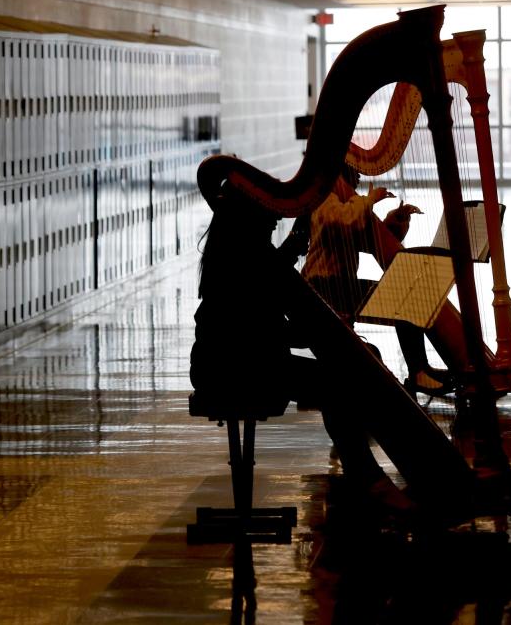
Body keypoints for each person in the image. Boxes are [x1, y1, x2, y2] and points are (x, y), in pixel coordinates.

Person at [190, 189, 414, 515]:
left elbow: (266, 323)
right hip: (233, 368)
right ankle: (370, 479)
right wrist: (323, 327)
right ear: (251, 218)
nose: (275, 219)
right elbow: (261, 329)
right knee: (336, 384)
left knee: (347, 370)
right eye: (270, 212)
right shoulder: (248, 259)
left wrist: (326, 325)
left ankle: (367, 476)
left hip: (237, 361)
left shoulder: (238, 252)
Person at [300, 165, 453, 396]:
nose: (360, 178)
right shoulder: (325, 197)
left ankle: (420, 369)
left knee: (409, 292)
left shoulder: (346, 201)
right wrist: (370, 199)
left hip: (339, 285)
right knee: (405, 296)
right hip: (322, 288)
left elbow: (366, 240)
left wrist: (393, 224)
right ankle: (419, 373)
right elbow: (342, 221)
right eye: (355, 172)